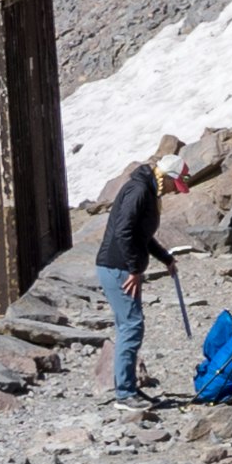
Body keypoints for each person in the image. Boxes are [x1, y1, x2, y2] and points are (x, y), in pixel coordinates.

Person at [83, 155, 164, 405]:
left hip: (120, 267)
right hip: (117, 268)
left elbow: (142, 235)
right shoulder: (139, 190)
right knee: (132, 325)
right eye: (176, 185)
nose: (176, 191)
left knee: (127, 325)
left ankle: (127, 387)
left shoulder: (145, 190)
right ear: (167, 177)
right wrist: (134, 269)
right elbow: (124, 230)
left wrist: (166, 258)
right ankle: (125, 394)